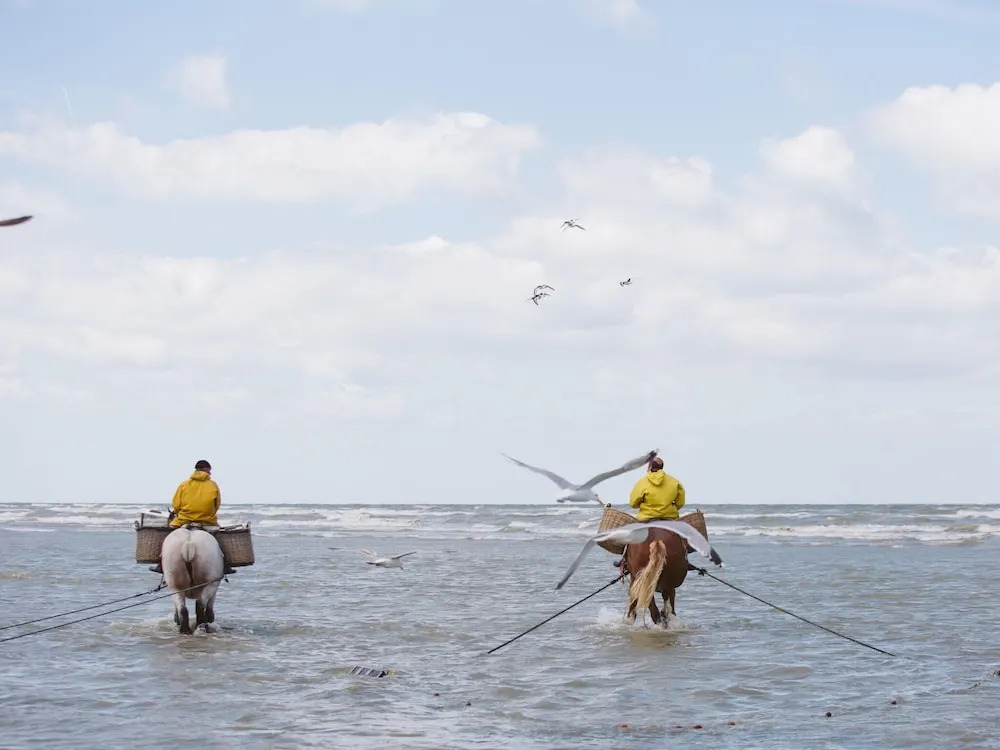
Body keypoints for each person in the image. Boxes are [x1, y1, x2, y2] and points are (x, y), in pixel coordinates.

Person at [149, 460, 236, 575]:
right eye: (209, 471)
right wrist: (208, 514)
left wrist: (181, 513)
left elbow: (176, 504)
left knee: (167, 537)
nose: (210, 473)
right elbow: (216, 504)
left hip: (183, 520)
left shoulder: (184, 484)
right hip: (207, 521)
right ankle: (226, 565)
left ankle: (160, 565)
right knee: (219, 540)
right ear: (206, 469)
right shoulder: (213, 485)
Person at [613, 456, 686, 569]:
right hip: (669, 518)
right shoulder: (675, 482)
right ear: (662, 467)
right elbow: (680, 503)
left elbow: (633, 503)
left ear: (649, 467)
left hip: (646, 518)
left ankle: (624, 559)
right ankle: (684, 559)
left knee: (630, 537)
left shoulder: (642, 482)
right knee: (682, 540)